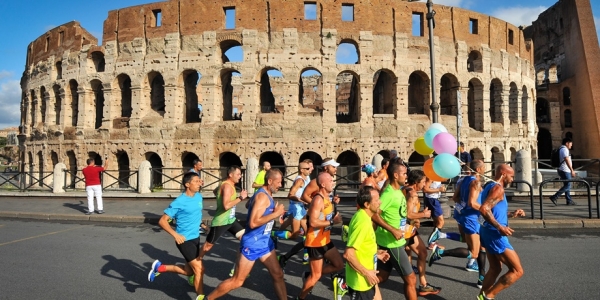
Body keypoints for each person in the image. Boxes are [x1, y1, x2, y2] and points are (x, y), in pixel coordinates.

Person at [206, 169, 287, 300]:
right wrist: (275, 214)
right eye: (279, 182)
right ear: (270, 181)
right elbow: (253, 223)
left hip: (265, 243)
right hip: (253, 244)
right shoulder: (262, 197)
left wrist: (272, 212)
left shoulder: (265, 193)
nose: (280, 185)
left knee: (277, 274)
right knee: (237, 281)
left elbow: (249, 204)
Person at [428, 160, 487, 288]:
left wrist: (464, 205)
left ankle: (482, 277)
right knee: (474, 252)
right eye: (483, 167)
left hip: (462, 215)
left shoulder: (463, 180)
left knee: (478, 244)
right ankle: (441, 253)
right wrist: (487, 209)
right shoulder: (476, 182)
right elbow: (472, 203)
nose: (485, 169)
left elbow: (455, 198)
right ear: (478, 170)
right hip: (471, 218)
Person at [148, 172, 206, 300]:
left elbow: (195, 215)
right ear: (187, 184)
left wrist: (203, 225)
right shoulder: (179, 201)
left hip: (196, 237)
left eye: (199, 180)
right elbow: (162, 221)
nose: (199, 183)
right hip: (184, 240)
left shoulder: (199, 197)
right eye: (196, 181)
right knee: (200, 269)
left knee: (188, 271)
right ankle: (201, 297)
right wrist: (175, 235)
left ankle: (160, 268)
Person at [478, 164, 525, 300]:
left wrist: (511, 214)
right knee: (517, 271)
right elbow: (484, 209)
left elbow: (493, 211)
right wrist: (500, 227)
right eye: (511, 176)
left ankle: (481, 297)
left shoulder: (488, 185)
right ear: (503, 174)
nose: (512, 179)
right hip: (495, 234)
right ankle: (489, 296)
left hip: (486, 231)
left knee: (495, 269)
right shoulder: (498, 189)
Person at [371, 162, 417, 300]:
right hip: (392, 243)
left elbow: (398, 214)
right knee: (411, 279)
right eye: (404, 173)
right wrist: (392, 230)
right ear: (396, 175)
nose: (406, 176)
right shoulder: (388, 194)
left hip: (395, 240)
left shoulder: (398, 190)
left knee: (382, 277)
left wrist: (409, 224)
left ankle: (346, 284)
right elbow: (374, 214)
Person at [298, 172, 345, 300]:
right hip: (315, 242)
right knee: (316, 276)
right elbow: (313, 222)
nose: (333, 182)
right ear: (323, 184)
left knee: (339, 264)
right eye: (330, 180)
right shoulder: (318, 200)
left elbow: (326, 214)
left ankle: (310, 274)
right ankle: (300, 297)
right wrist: (332, 222)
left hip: (325, 240)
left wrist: (334, 203)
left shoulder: (327, 197)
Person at [199, 165, 248, 277]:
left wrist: (219, 195)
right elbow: (226, 206)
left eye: (240, 174)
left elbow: (215, 191)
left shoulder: (226, 184)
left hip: (230, 220)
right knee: (207, 247)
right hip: (220, 222)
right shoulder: (227, 187)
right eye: (238, 174)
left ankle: (236, 268)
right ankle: (194, 264)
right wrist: (240, 198)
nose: (240, 177)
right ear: (230, 175)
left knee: (245, 240)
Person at [344, 186, 390, 300]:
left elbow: (362, 244)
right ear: (367, 204)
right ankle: (341, 282)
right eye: (377, 200)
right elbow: (348, 254)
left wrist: (376, 253)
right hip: (361, 282)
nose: (380, 202)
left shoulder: (364, 215)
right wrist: (366, 273)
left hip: (368, 277)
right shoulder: (362, 222)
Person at [403, 170, 441, 296]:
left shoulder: (405, 189)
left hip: (408, 229)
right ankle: (422, 285)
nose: (425, 184)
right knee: (422, 253)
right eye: (423, 182)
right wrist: (423, 215)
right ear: (416, 182)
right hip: (406, 230)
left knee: (420, 253)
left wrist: (416, 219)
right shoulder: (412, 194)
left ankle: (422, 284)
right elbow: (408, 213)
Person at [277, 161, 312, 270]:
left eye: (310, 168)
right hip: (296, 207)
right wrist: (300, 199)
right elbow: (290, 195)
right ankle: (272, 234)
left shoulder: (307, 179)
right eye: (307, 168)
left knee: (307, 232)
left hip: (301, 207)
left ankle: (306, 256)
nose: (309, 169)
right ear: (301, 170)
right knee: (295, 235)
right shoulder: (300, 180)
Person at [550, 137, 577, 206]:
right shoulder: (565, 149)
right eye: (570, 144)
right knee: (568, 185)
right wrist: (572, 170)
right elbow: (566, 159)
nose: (571, 145)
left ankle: (569, 200)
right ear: (567, 143)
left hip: (562, 169)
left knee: (566, 185)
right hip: (565, 170)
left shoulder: (561, 149)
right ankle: (554, 197)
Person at [423, 175, 446, 245]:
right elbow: (425, 189)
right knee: (441, 222)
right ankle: (432, 242)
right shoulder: (431, 176)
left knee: (437, 222)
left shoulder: (437, 175)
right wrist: (439, 190)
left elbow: (445, 178)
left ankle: (433, 242)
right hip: (432, 200)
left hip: (434, 199)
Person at [188, 158, 208, 234]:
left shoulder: (197, 172)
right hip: (192, 194)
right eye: (199, 165)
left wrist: (200, 182)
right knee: (195, 210)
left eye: (201, 165)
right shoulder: (191, 173)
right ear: (195, 165)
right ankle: (198, 226)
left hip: (196, 194)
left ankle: (197, 226)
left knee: (197, 209)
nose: (201, 166)